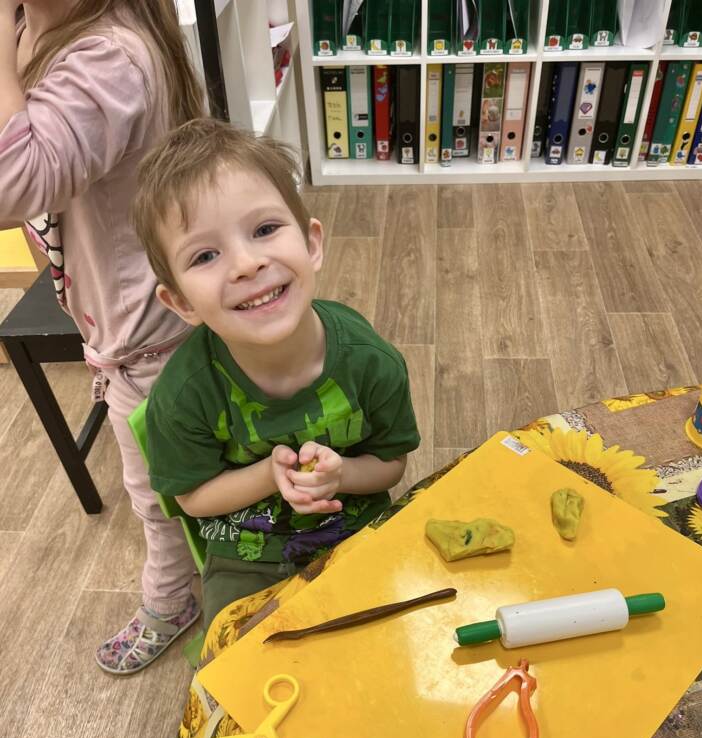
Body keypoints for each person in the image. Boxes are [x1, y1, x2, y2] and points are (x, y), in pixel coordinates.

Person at [133, 117, 421, 633]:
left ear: (312, 244)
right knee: (236, 667)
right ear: (180, 302)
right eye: (205, 255)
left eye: (265, 229)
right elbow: (192, 499)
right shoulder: (182, 397)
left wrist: (342, 474)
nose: (246, 264)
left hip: (358, 526)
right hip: (247, 556)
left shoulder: (371, 362)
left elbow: (391, 464)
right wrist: (269, 475)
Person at [0, 0, 206, 674]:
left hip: (146, 335)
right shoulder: (43, 25)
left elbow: (10, 183)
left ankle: (172, 600)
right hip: (122, 318)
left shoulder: (106, 54)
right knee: (171, 477)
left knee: (154, 491)